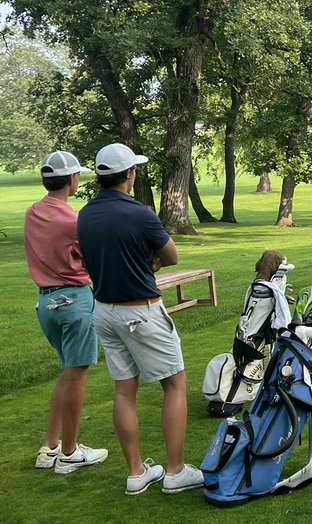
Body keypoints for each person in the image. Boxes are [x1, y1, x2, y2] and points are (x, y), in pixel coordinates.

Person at [76, 143, 203, 496]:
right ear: (129, 174)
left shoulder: (85, 214)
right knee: (174, 384)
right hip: (140, 310)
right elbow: (171, 256)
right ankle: (175, 472)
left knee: (124, 391)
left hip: (104, 310)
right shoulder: (140, 213)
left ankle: (137, 472)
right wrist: (152, 258)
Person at [24, 150, 108, 475]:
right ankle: (71, 453)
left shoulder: (33, 213)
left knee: (67, 372)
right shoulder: (73, 220)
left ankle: (50, 447)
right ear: (72, 179)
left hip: (45, 304)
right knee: (76, 374)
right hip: (74, 300)